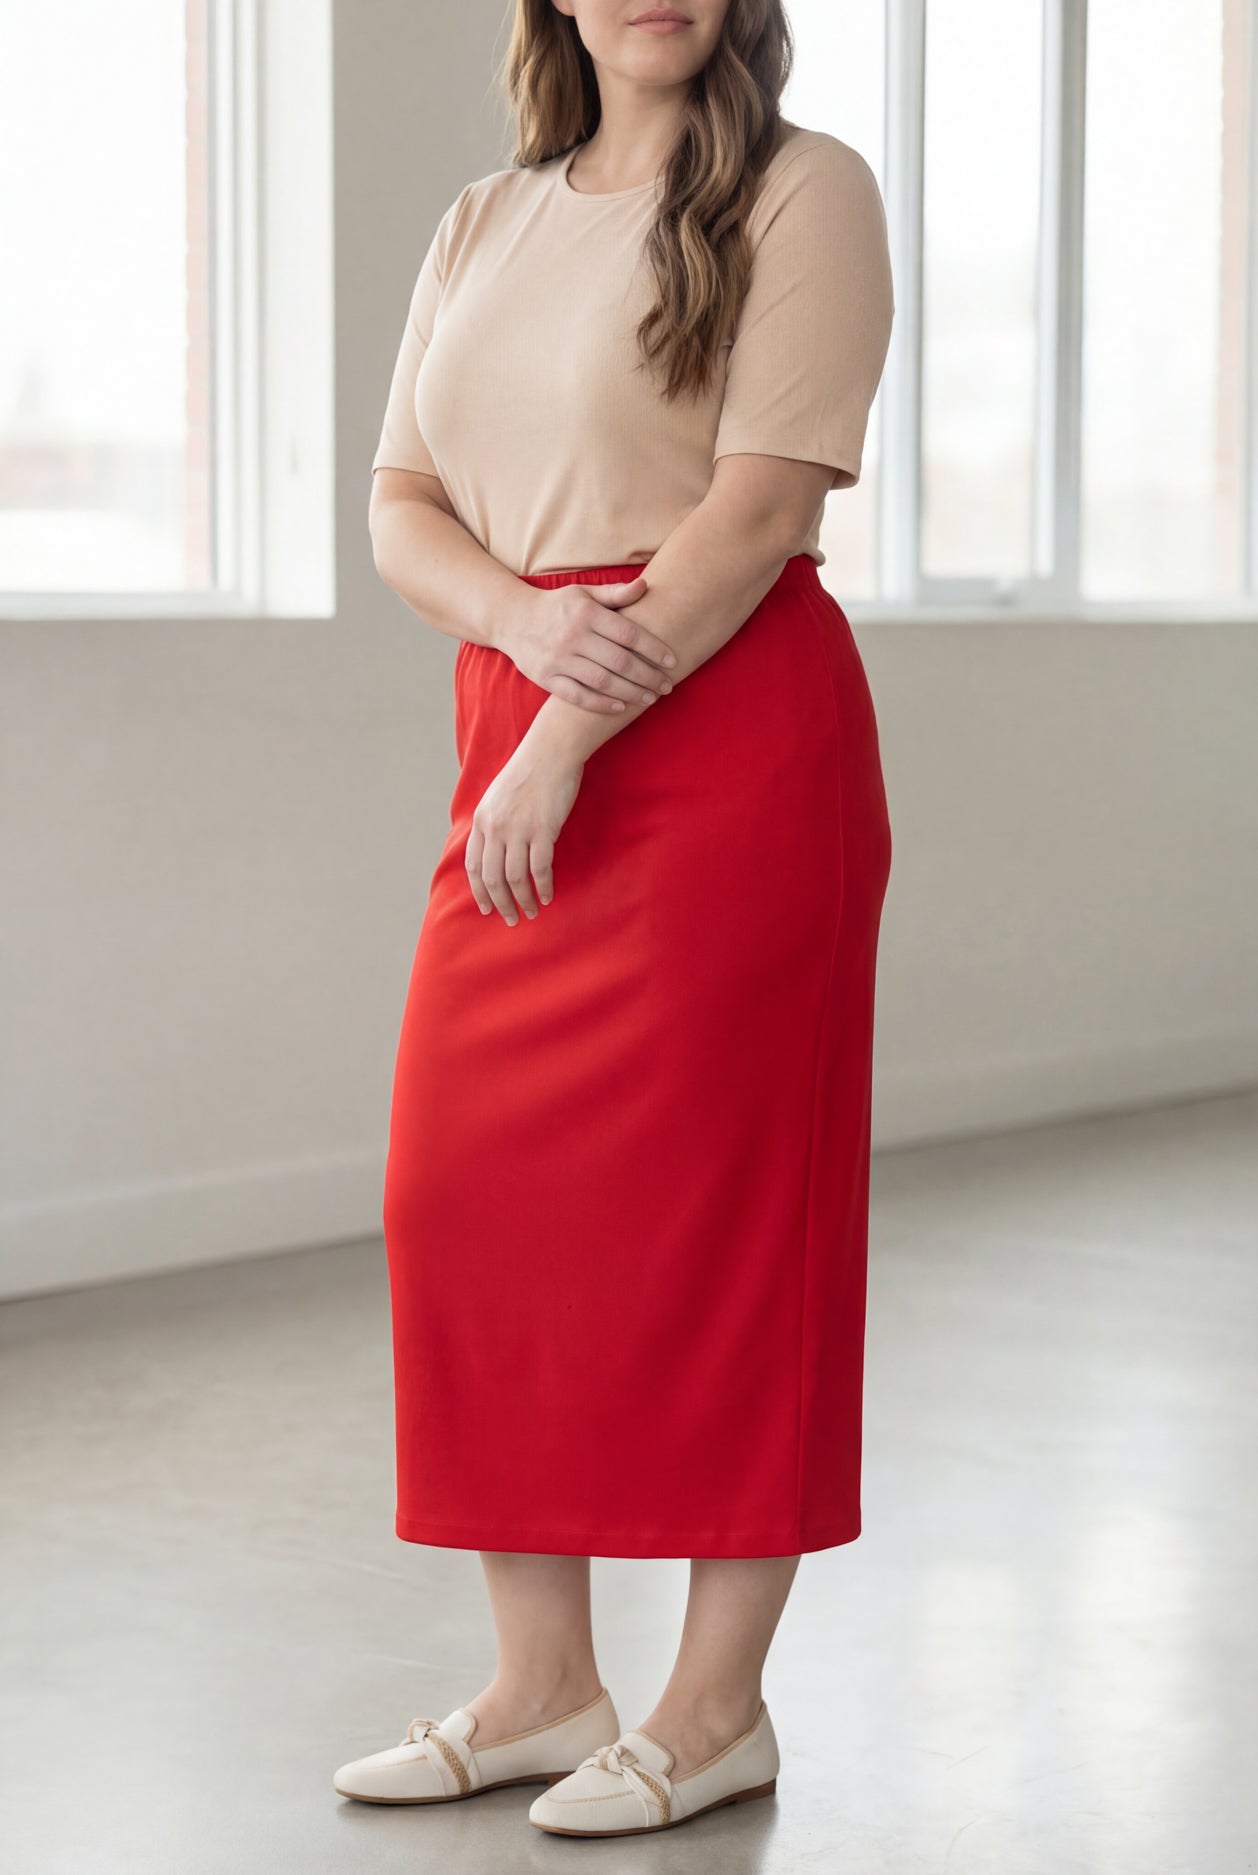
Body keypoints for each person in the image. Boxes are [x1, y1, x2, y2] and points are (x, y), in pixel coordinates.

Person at [335, 0, 895, 1839]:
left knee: (738, 1213)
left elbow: (753, 513)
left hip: (717, 731)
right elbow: (400, 504)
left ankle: (715, 1707)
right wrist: (518, 636)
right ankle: (541, 1682)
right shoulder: (481, 224)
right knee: (462, 1190)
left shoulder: (803, 194)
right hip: (529, 714)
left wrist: (564, 729)